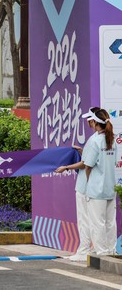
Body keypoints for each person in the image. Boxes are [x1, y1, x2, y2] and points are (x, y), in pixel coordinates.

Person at [56, 107, 117, 259]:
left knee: (94, 222)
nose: (88, 123)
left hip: (95, 189)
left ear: (95, 122)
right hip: (109, 188)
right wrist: (85, 152)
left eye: (90, 120)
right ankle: (110, 251)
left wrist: (66, 167)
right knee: (110, 223)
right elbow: (101, 160)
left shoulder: (94, 140)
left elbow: (87, 165)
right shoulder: (111, 140)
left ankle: (98, 253)